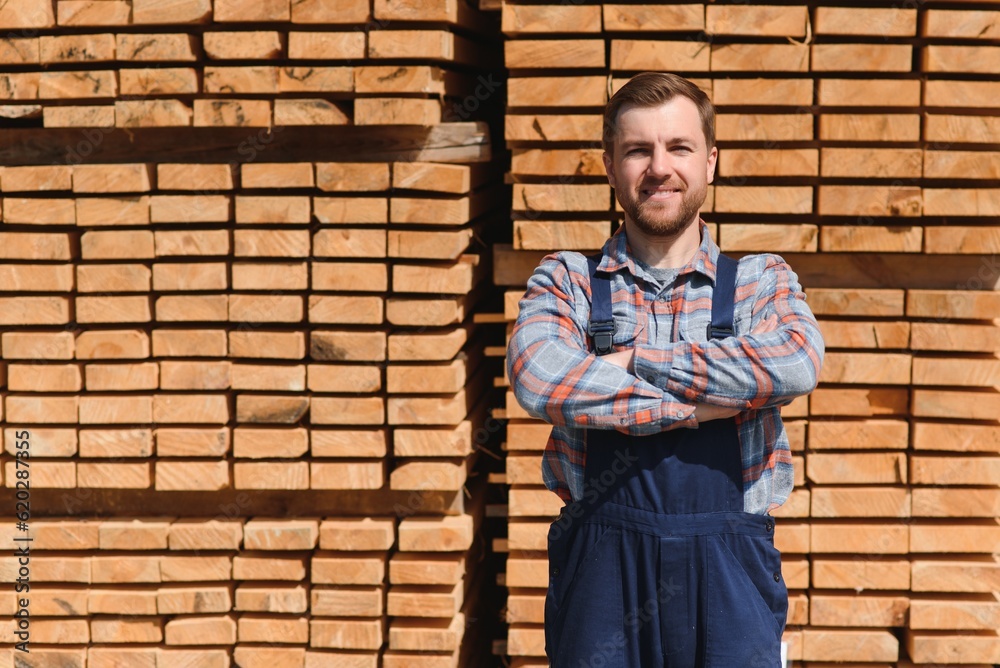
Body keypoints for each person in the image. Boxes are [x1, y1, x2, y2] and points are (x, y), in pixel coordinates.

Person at [507, 72, 825, 667]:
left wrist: (634, 364)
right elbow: (538, 375)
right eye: (637, 150)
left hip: (730, 576)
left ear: (710, 161)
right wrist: (702, 405)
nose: (659, 167)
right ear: (610, 166)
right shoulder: (568, 280)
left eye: (678, 147)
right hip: (603, 575)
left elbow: (797, 361)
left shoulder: (760, 279)